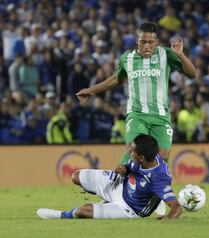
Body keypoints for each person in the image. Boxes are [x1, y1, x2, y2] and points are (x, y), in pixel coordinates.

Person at [76, 22, 196, 163]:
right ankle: (118, 179)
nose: (146, 46)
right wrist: (90, 90)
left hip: (161, 116)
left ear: (156, 42)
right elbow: (116, 79)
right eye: (143, 42)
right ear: (137, 41)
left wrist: (180, 55)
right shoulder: (127, 58)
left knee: (162, 159)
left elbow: (192, 74)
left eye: (151, 42)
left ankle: (143, 182)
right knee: (134, 152)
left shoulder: (165, 54)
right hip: (137, 115)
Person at [36, 134, 182, 220]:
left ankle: (61, 215)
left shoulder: (158, 178)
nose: (129, 151)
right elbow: (131, 166)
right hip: (120, 183)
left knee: (83, 211)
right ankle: (107, 201)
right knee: (76, 176)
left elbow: (176, 208)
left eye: (132, 151)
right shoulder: (149, 154)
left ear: (142, 158)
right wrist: (124, 168)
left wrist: (167, 220)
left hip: (128, 208)